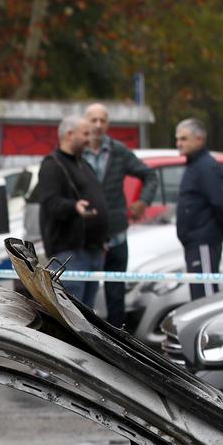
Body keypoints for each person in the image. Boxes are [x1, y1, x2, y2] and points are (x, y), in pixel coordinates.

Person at [32, 115, 113, 308]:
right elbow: (51, 204)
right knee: (73, 314)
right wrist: (74, 207)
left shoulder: (83, 164)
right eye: (85, 134)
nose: (89, 139)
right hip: (70, 254)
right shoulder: (53, 165)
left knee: (88, 316)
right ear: (69, 134)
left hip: (93, 251)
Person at [80, 102, 149, 327]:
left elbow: (149, 175)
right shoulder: (77, 151)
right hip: (86, 234)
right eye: (93, 120)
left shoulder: (119, 152)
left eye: (103, 120)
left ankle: (118, 342)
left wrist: (143, 201)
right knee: (82, 294)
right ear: (86, 122)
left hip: (116, 232)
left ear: (108, 124)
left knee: (115, 293)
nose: (98, 125)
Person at [173, 118, 223, 300]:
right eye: (177, 139)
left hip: (203, 242)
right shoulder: (195, 165)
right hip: (194, 242)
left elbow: (221, 204)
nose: (179, 143)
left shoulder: (206, 167)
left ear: (199, 139)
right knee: (199, 294)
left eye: (184, 139)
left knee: (205, 297)